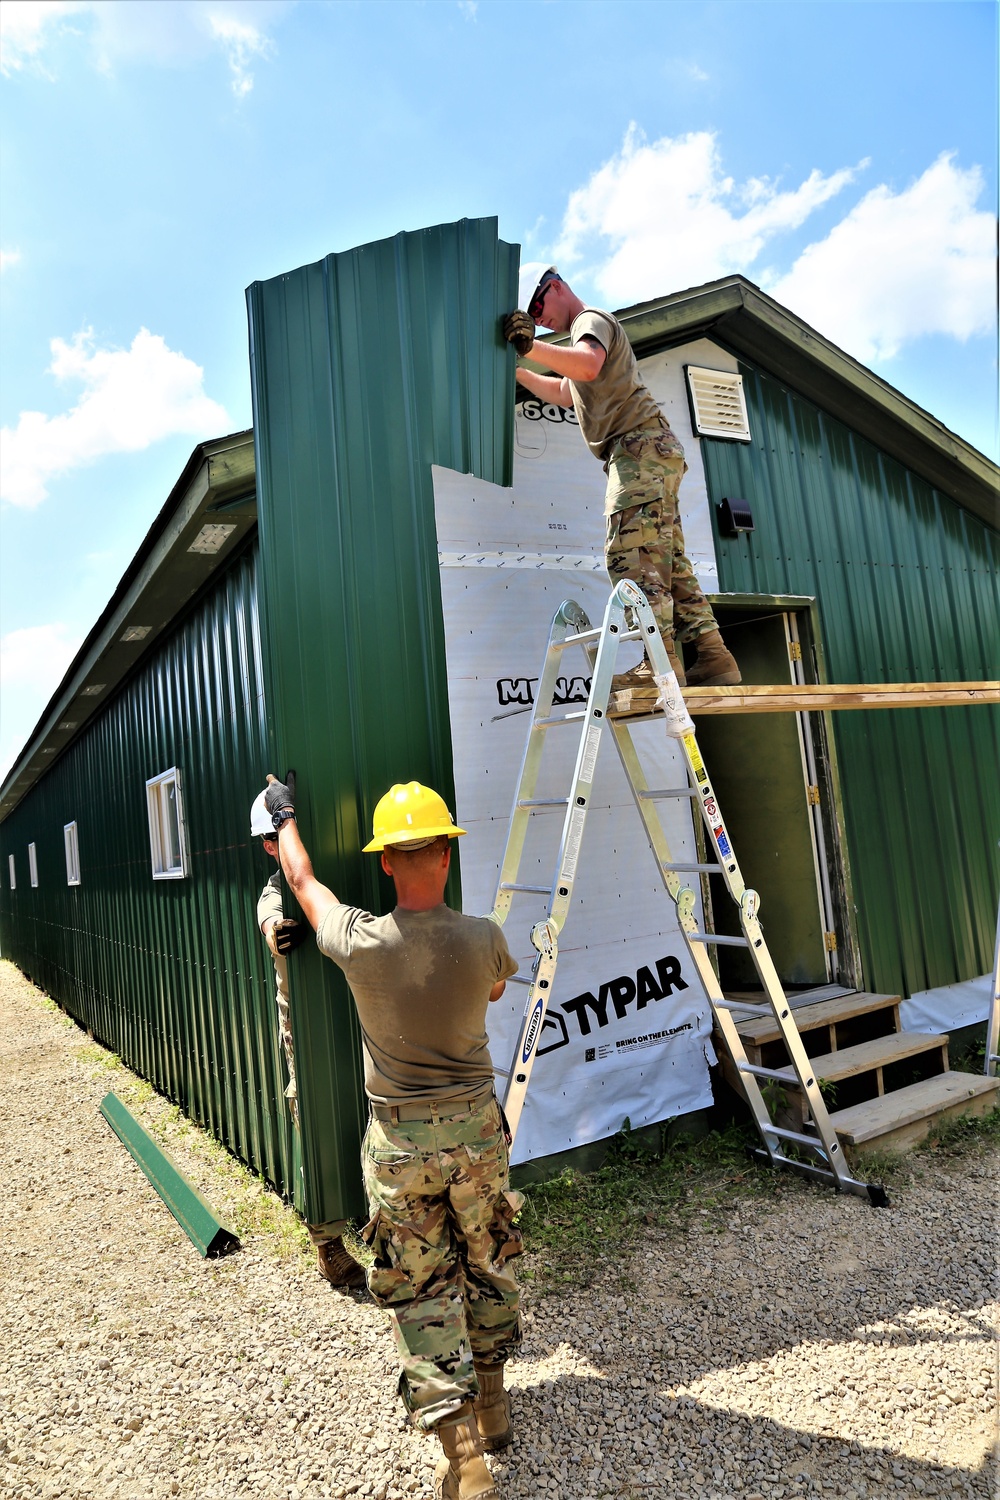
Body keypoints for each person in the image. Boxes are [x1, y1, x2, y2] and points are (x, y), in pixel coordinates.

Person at [261, 775, 522, 1500]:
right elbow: (496, 989)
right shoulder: (484, 941)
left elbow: (301, 876)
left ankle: (467, 1459)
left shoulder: (357, 941)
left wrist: (284, 814)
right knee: (489, 1256)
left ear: (385, 861)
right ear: (446, 853)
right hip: (477, 1133)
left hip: (401, 1148)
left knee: (421, 1286)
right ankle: (494, 1403)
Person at [504, 266, 741, 700]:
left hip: (637, 448)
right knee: (668, 559)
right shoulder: (576, 343)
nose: (540, 320)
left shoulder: (587, 321)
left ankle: (660, 666)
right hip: (652, 449)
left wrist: (530, 346)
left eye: (539, 307)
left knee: (631, 556)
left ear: (555, 288)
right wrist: (516, 368)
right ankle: (713, 656)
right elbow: (564, 392)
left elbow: (589, 366)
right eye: (532, 317)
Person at [249, 791, 366, 1290]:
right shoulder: (273, 892)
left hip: (361, 1022)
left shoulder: (332, 875)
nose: (281, 843)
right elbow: (272, 926)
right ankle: (328, 1243)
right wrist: (280, 930)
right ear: (267, 846)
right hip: (307, 1034)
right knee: (315, 1121)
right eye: (273, 838)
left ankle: (374, 1221)